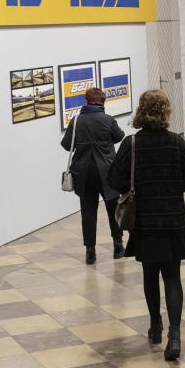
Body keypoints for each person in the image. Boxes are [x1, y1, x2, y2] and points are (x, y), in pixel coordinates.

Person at [109, 90, 185, 361]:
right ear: (166, 112)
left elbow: (115, 179)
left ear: (140, 112)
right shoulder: (177, 143)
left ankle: (156, 326)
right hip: (172, 218)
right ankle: (175, 335)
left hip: (144, 221)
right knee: (172, 276)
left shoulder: (131, 144)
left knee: (150, 274)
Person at [61, 87, 126, 264]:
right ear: (103, 102)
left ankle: (90, 251)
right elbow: (119, 136)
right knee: (113, 208)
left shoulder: (76, 121)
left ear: (86, 101)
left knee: (88, 211)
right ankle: (118, 245)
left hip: (83, 173)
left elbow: (67, 145)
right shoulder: (108, 119)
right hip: (107, 172)